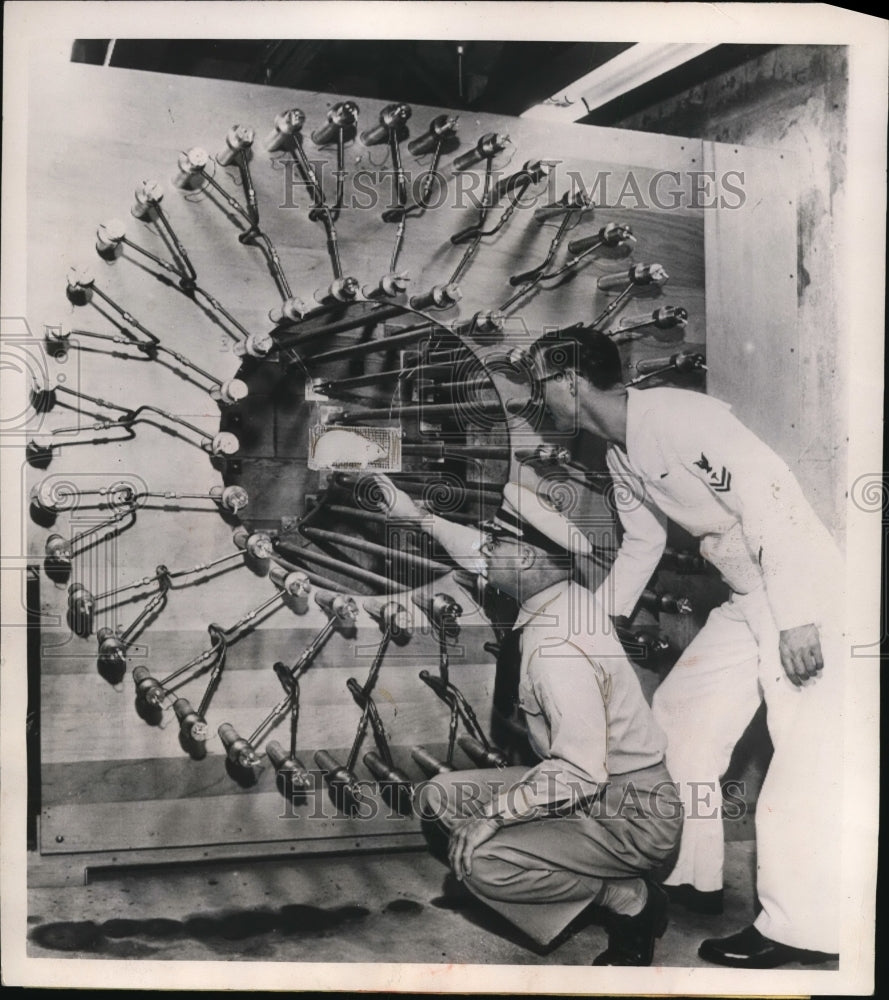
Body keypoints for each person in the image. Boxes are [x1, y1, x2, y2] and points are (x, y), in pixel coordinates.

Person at [527, 325, 844, 968]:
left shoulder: (678, 417)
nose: (539, 398)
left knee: (803, 751)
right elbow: (643, 543)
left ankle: (800, 928)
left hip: (802, 594)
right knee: (678, 720)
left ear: (570, 380)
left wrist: (801, 615)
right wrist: (602, 620)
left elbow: (770, 497)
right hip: (747, 594)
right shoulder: (619, 452)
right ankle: (690, 878)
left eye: (540, 382)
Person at [376, 474, 683, 966]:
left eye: (496, 541)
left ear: (524, 558)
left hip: (629, 816)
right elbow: (479, 552)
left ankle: (628, 898)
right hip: (592, 790)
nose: (484, 550)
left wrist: (493, 819)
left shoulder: (556, 648)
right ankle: (570, 869)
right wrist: (419, 518)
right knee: (438, 796)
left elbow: (581, 771)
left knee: (477, 859)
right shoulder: (568, 596)